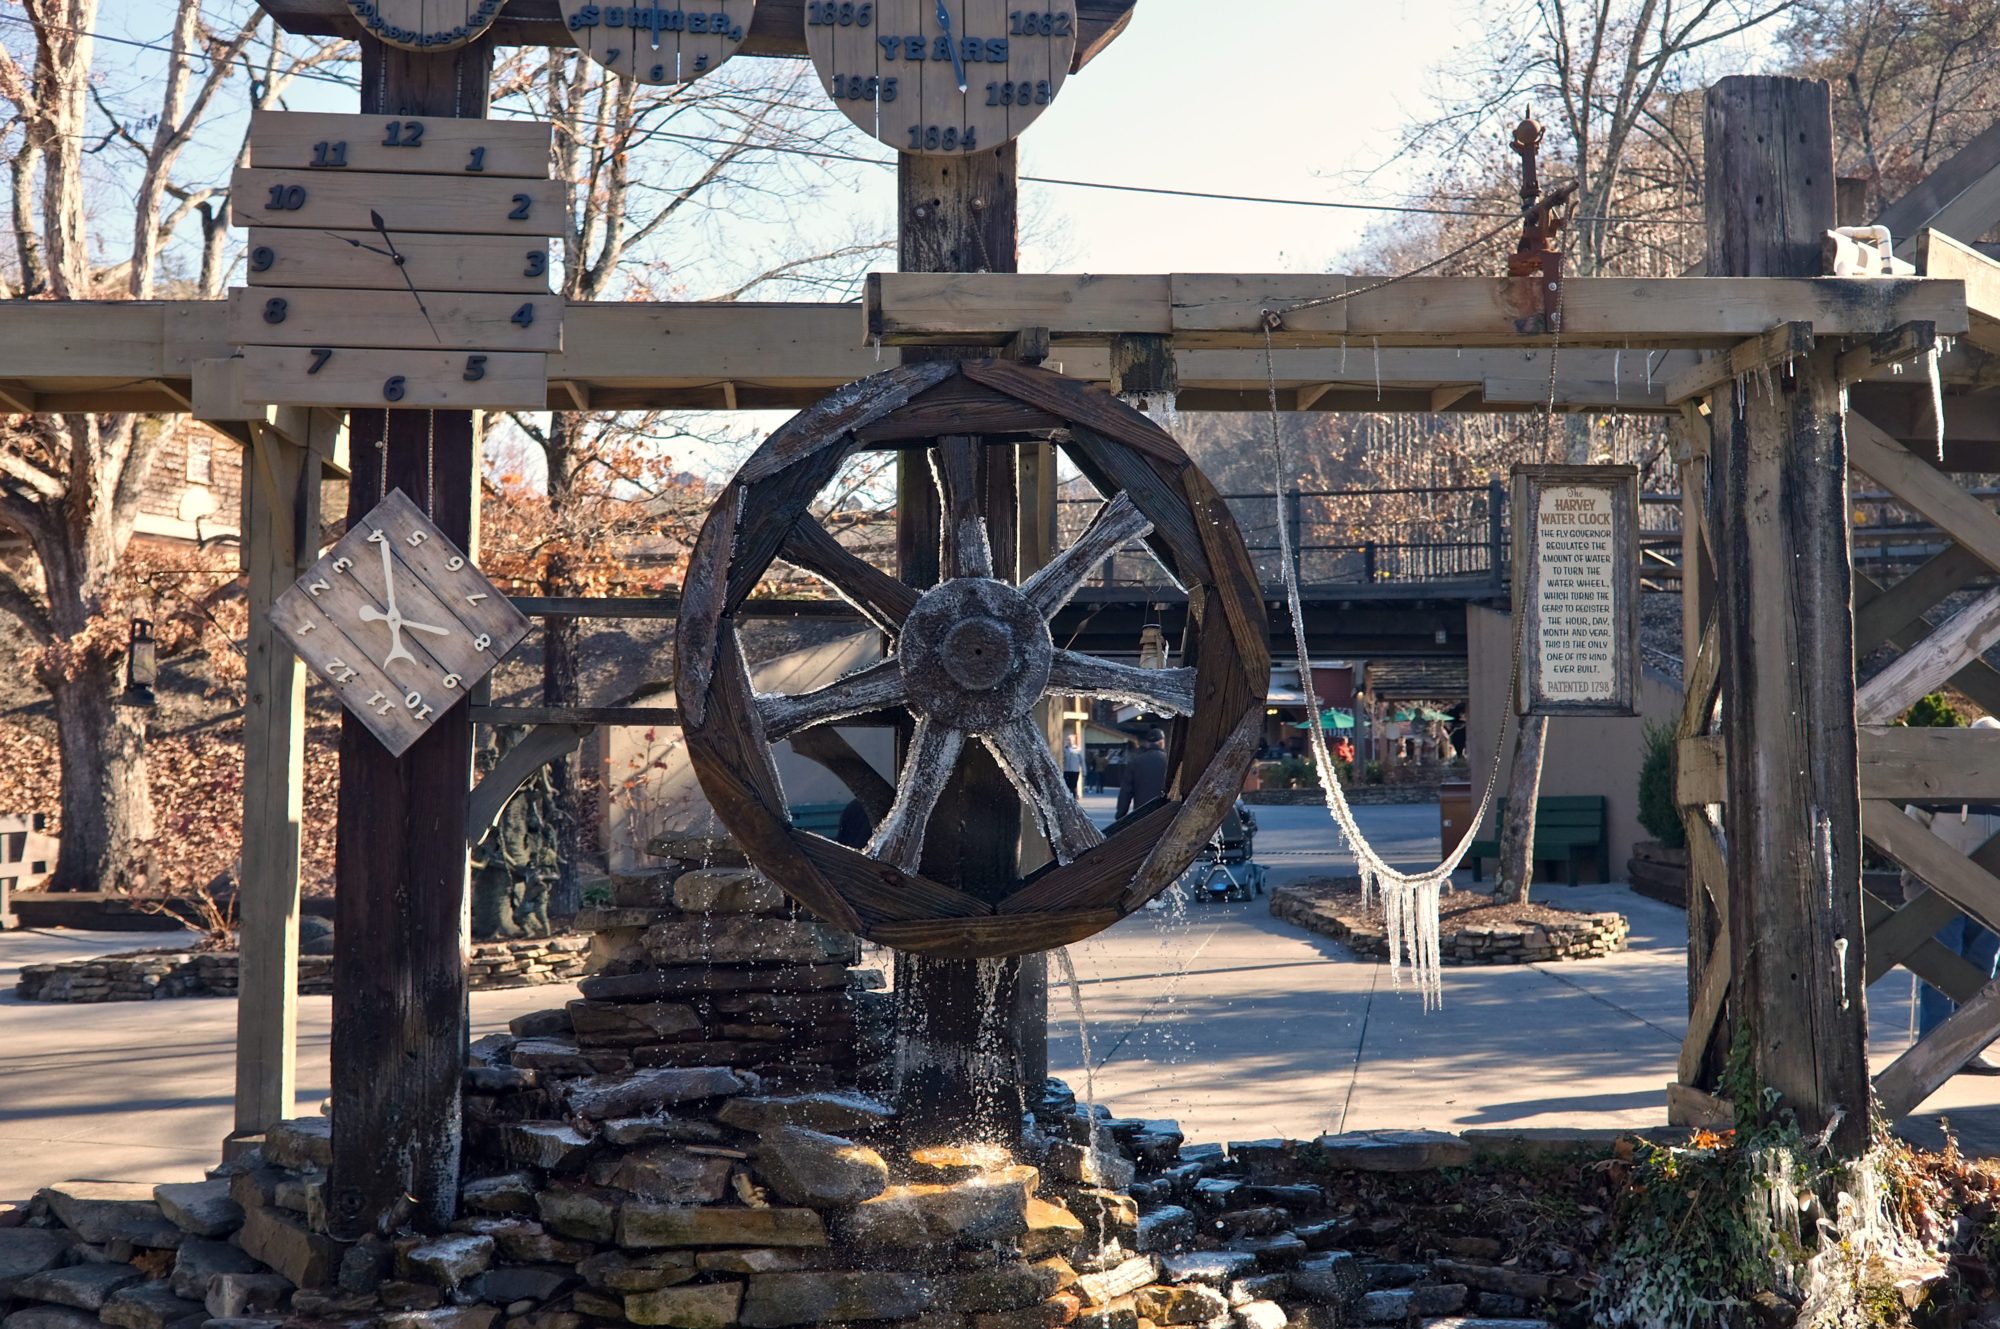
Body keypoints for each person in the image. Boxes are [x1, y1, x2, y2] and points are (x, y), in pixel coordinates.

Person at [1907, 715, 2000, 1072]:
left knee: (1980, 971)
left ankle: (1968, 1048)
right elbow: (1912, 824)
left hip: (1990, 895)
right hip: (1940, 890)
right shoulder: (1942, 782)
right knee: (1939, 968)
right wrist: (1913, 878)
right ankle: (1932, 1051)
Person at [1118, 728, 1169, 819]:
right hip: (1165, 812)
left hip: (1141, 813)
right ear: (1162, 742)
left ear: (1148, 743)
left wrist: (1120, 814)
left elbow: (1126, 791)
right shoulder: (1169, 762)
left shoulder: (1135, 762)